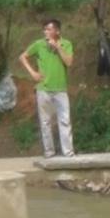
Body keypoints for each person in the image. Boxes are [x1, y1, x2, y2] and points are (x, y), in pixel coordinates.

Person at [19, 18, 75, 158]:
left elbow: (69, 62)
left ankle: (68, 153)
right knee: (45, 122)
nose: (46, 32)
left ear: (57, 31)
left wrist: (58, 47)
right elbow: (23, 57)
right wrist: (33, 73)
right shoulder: (39, 44)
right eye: (44, 29)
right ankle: (49, 152)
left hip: (60, 88)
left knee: (65, 120)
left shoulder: (66, 44)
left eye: (49, 29)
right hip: (43, 88)